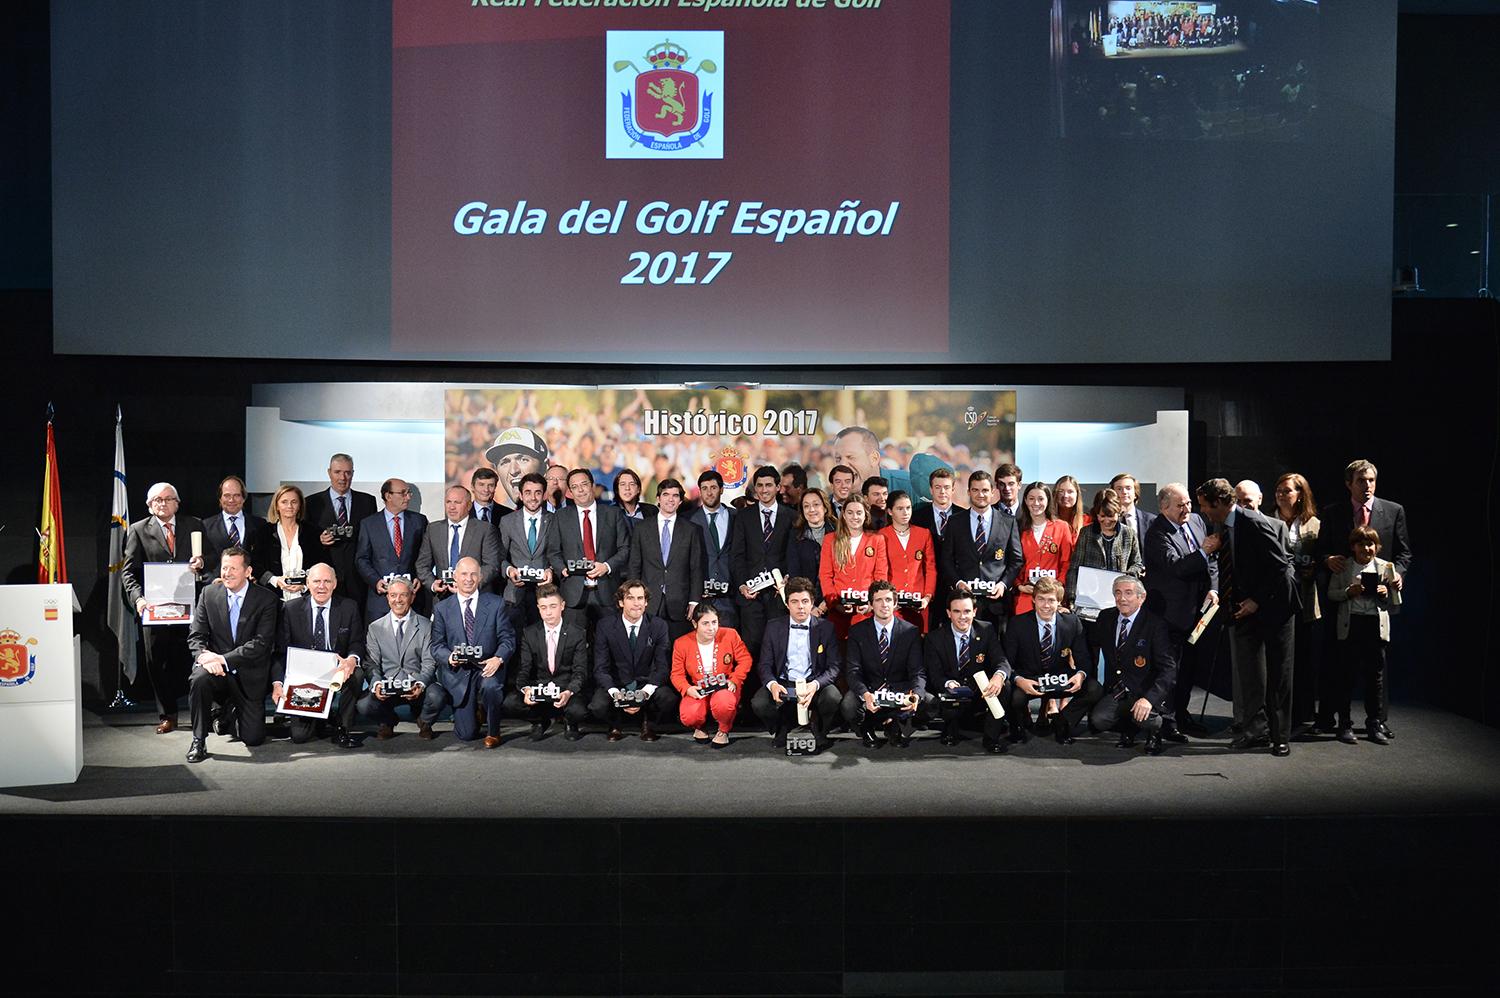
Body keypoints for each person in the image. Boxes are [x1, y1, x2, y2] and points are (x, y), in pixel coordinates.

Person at [1197, 477, 1300, 757]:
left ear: (1220, 503)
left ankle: (1280, 737)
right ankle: (1255, 731)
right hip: (1243, 610)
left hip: (1275, 607)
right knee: (1250, 675)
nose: (1204, 511)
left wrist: (1257, 600)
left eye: (1206, 506)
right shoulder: (1222, 524)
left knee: (1278, 675)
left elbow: (1281, 569)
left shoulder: (1253, 522)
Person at [120, 481, 205, 733]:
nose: (162, 503)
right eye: (157, 499)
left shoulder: (195, 525)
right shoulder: (137, 530)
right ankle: (167, 714)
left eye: (168, 499)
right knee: (157, 662)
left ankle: (203, 713)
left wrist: (201, 564)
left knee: (195, 659)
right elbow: (128, 573)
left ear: (177, 503)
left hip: (190, 606)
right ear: (148, 505)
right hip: (155, 610)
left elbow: (210, 561)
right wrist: (139, 600)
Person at [183, 546, 278, 763]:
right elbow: (196, 636)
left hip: (248, 676)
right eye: (225, 568)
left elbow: (261, 643)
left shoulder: (266, 599)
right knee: (198, 679)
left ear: (248, 571)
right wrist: (203, 657)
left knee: (253, 738)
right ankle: (199, 739)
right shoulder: (209, 593)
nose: (227, 573)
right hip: (215, 672)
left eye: (233, 568)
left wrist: (223, 659)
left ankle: (227, 712)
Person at [1143, 483, 1218, 740]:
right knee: (1170, 670)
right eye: (1180, 505)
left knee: (1189, 668)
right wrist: (1204, 551)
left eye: (1188, 503)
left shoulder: (1196, 521)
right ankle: (1167, 721)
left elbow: (1213, 562)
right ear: (1164, 507)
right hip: (1170, 615)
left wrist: (1214, 588)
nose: (1187, 508)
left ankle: (1182, 714)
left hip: (1198, 613)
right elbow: (1176, 566)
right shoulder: (1156, 533)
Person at [423, 556, 516, 747]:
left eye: (474, 574)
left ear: (480, 577)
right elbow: (436, 646)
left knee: (491, 686)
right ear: (454, 577)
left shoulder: (496, 604)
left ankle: (493, 731)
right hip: (459, 673)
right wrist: (450, 657)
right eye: (464, 574)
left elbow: (508, 639)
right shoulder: (442, 608)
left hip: (486, 666)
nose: (468, 578)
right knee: (466, 735)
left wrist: (498, 659)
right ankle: (476, 710)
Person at [272, 562, 365, 748]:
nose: (321, 586)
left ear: (335, 584)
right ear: (307, 583)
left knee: (357, 674)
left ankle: (343, 728)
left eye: (327, 581)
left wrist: (352, 660)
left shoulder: (349, 607)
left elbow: (356, 642)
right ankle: (323, 717)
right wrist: (278, 683)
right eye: (316, 581)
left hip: (337, 670)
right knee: (299, 736)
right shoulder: (291, 609)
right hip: (304, 677)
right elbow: (281, 651)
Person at [1002, 577, 1101, 743]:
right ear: (1033, 599)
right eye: (1041, 599)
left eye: (1051, 600)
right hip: (1029, 677)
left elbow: (1083, 658)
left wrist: (1081, 675)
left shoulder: (1072, 623)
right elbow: (1006, 662)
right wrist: (1019, 680)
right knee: (1013, 694)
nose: (1046, 605)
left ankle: (1063, 722)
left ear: (1059, 602)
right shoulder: (1017, 623)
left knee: (1094, 689)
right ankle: (1017, 726)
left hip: (1059, 677)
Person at [1327, 526, 1402, 744]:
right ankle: (1345, 724)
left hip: (1374, 626)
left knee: (1375, 678)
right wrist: (1348, 592)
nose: (1366, 548)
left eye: (1370, 544)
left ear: (1377, 547)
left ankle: (1374, 723)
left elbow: (1396, 601)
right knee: (1346, 676)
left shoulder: (1386, 567)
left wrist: (1387, 592)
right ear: (1353, 547)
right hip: (1351, 625)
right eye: (1361, 544)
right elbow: (1332, 594)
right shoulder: (1344, 567)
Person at [750, 577, 843, 750]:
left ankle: (819, 729)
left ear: (812, 603)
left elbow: (834, 666)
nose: (800, 606)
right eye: (795, 602)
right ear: (787, 604)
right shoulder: (773, 627)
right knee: (759, 703)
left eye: (805, 601)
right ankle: (782, 727)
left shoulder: (826, 628)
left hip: (814, 682)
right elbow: (764, 665)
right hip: (784, 682)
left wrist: (815, 685)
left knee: (833, 697)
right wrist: (773, 685)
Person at [1089, 575, 1177, 755]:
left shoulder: (1155, 624)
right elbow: (1089, 639)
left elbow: (1169, 669)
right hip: (1118, 690)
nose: (1122, 598)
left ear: (1141, 597)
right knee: (1099, 720)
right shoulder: (1106, 617)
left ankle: (1155, 731)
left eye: (1128, 593)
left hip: (1144, 691)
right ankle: (1128, 729)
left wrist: (1149, 699)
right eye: (1118, 593)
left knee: (1150, 719)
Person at [937, 470, 1024, 636]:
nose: (980, 495)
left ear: (992, 492)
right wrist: (958, 583)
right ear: (968, 492)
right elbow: (946, 559)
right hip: (963, 603)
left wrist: (1003, 584)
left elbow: (1016, 560)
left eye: (985, 490)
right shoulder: (955, 522)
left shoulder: (1008, 522)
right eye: (975, 490)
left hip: (996, 604)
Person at [589, 579, 677, 740]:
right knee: (597, 706)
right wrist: (615, 693)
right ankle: (615, 723)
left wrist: (645, 692)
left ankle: (648, 723)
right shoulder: (605, 625)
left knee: (668, 699)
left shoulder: (658, 625)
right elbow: (600, 668)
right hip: (618, 683)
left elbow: (662, 667)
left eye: (640, 598)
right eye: (630, 598)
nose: (636, 603)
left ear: (646, 602)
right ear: (621, 602)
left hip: (645, 683)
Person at [843, 581, 927, 748]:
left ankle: (897, 725)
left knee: (929, 703)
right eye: (878, 600)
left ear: (895, 603)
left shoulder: (910, 632)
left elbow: (917, 672)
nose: (884, 604)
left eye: (888, 600)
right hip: (870, 689)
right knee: (848, 706)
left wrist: (915, 695)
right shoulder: (857, 631)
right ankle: (866, 728)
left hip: (899, 690)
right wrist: (866, 694)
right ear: (870, 604)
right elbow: (853, 672)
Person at [924, 590, 1009, 753]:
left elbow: (1001, 660)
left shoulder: (986, 629)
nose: (962, 617)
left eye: (967, 611)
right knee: (945, 699)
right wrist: (948, 684)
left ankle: (991, 738)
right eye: (956, 611)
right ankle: (951, 727)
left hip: (980, 690)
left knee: (1006, 686)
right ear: (949, 613)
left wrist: (998, 676)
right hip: (951, 691)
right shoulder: (934, 638)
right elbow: (934, 675)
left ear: (974, 612)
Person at [551, 468, 634, 633]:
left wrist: (607, 566)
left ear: (592, 486)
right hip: (573, 594)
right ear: (570, 492)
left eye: (584, 484)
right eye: (575, 487)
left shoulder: (613, 513)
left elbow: (625, 548)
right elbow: (553, 552)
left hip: (607, 591)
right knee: (574, 648)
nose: (580, 490)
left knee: (609, 646)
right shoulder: (561, 516)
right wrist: (563, 569)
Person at [1271, 472, 1323, 731]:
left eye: (1287, 491)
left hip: (1304, 599)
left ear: (1300, 494)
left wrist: (1314, 568)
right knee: (1279, 661)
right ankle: (1277, 713)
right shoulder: (1268, 521)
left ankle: (1302, 714)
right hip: (1276, 600)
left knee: (1303, 659)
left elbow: (1322, 559)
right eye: (1278, 490)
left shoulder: (1314, 525)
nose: (1281, 495)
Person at [506, 583, 590, 740]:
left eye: (553, 606)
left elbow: (580, 672)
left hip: (566, 689)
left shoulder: (577, 633)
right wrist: (526, 690)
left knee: (579, 710)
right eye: (543, 607)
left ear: (562, 606)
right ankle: (539, 721)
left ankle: (570, 723)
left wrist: (569, 691)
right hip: (540, 689)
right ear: (538, 608)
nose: (548, 612)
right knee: (511, 703)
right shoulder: (529, 633)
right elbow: (524, 670)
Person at [356, 577, 435, 739]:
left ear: (412, 597)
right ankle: (388, 721)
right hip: (388, 687)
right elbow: (372, 664)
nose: (397, 600)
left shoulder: (426, 625)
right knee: (364, 705)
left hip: (415, 685)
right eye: (393, 595)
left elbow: (429, 661)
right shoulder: (375, 627)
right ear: (387, 597)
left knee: (437, 696)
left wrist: (420, 683)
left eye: (403, 595)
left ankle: (424, 721)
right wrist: (377, 683)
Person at [728, 465, 795, 655]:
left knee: (780, 647)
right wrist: (742, 585)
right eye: (760, 486)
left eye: (768, 485)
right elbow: (737, 555)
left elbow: (793, 554)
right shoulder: (743, 517)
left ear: (778, 487)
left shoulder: (791, 516)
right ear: (755, 489)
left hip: (779, 596)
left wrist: (788, 581)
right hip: (751, 597)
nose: (764, 490)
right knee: (751, 649)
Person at [670, 601, 753, 748]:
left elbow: (745, 660)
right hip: (699, 688)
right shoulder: (681, 643)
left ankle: (723, 729)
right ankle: (700, 726)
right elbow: (676, 675)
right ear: (695, 624)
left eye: (714, 622)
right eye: (705, 623)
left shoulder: (730, 634)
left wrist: (735, 680)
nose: (711, 628)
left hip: (725, 686)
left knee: (724, 703)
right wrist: (688, 689)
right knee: (689, 716)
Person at [634, 479, 705, 641]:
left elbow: (696, 568)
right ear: (658, 498)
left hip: (680, 604)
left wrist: (694, 601)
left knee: (677, 652)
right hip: (649, 602)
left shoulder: (692, 530)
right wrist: (635, 599)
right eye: (666, 495)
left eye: (675, 495)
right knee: (648, 654)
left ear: (680, 501)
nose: (670, 499)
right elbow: (635, 566)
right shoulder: (641, 528)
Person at [303, 453, 377, 603]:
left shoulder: (367, 501)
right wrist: (319, 541)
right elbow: (305, 541)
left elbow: (372, 541)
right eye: (337, 472)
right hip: (326, 578)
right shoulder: (312, 503)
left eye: (347, 472)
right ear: (329, 472)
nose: (343, 478)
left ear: (353, 474)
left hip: (359, 579)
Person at [354, 478, 428, 622]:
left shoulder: (419, 521)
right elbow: (361, 559)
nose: (408, 497)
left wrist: (420, 577)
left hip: (412, 599)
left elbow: (426, 555)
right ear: (388, 496)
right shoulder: (369, 524)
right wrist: (375, 581)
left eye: (409, 493)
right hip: (380, 601)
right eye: (403, 493)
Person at [819, 495, 890, 643]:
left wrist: (872, 604)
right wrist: (834, 603)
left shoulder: (877, 540)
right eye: (850, 512)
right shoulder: (830, 539)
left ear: (866, 515)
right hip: (838, 612)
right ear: (843, 515)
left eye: (859, 512)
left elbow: (881, 576)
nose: (854, 517)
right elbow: (825, 575)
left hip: (866, 612)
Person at [416, 485, 501, 598]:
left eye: (457, 502)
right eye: (448, 502)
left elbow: (491, 565)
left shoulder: (485, 530)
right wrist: (432, 584)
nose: (451, 507)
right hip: (443, 598)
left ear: (469, 505)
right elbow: (422, 565)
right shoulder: (433, 529)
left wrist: (468, 586)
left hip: (475, 597)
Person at [499, 472, 558, 628]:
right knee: (515, 641)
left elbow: (560, 553)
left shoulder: (555, 520)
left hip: (545, 592)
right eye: (528, 492)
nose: (533, 497)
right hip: (515, 592)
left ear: (544, 495)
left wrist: (551, 570)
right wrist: (509, 570)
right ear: (521, 495)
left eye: (537, 493)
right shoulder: (507, 521)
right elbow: (500, 557)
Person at [686, 469, 739, 631]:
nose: (709, 493)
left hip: (731, 599)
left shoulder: (737, 517)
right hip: (701, 599)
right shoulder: (688, 520)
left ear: (721, 489)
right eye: (704, 488)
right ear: (699, 491)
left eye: (713, 488)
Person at [1014, 482, 1075, 616]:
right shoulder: (1017, 528)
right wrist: (1020, 585)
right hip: (1026, 595)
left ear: (1048, 500)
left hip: (1053, 597)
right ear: (1025, 500)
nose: (1036, 503)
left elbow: (1067, 562)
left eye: (1041, 498)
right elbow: (1013, 562)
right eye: (1031, 498)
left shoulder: (1062, 527)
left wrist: (1057, 587)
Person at [880, 491, 936, 632]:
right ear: (890, 511)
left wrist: (927, 598)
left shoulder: (923, 534)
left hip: (918, 603)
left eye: (908, 508)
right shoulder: (881, 535)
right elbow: (879, 571)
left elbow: (930, 568)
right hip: (892, 604)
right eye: (900, 509)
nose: (905, 512)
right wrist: (886, 598)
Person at [261, 484, 325, 603]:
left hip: (305, 599)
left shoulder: (313, 532)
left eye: (294, 502)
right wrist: (275, 580)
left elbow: (321, 565)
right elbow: (256, 565)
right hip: (272, 599)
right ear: (277, 506)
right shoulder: (263, 532)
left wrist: (306, 584)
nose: (289, 506)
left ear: (300, 505)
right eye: (284, 502)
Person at [199, 475, 268, 582]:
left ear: (244, 498)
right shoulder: (205, 526)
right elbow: (203, 560)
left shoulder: (259, 524)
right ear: (220, 498)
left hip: (252, 588)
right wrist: (213, 580)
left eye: (236, 495)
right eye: (227, 495)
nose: (231, 500)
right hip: (218, 588)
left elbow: (263, 558)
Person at [785, 488, 832, 617]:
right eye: (806, 506)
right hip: (805, 606)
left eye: (816, 505)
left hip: (833, 602)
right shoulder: (796, 535)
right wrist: (809, 605)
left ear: (825, 507)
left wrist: (825, 605)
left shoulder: (838, 533)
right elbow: (794, 572)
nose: (811, 510)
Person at [484, 426, 550, 509]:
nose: (513, 470)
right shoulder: (502, 520)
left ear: (545, 467)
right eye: (505, 462)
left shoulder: (565, 517)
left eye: (523, 460)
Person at [911, 465, 965, 544]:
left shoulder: (965, 516)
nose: (942, 491)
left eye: (946, 487)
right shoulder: (917, 517)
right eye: (937, 487)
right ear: (931, 490)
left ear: (953, 490)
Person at [1111, 473, 1158, 550]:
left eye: (1128, 488)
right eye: (1119, 489)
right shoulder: (1105, 520)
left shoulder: (1151, 521)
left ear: (1135, 493)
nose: (1124, 492)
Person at [1052, 475, 1090, 542]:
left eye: (1070, 491)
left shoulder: (1087, 520)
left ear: (1077, 494)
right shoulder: (1048, 521)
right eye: (1061, 491)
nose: (1065, 495)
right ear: (1055, 494)